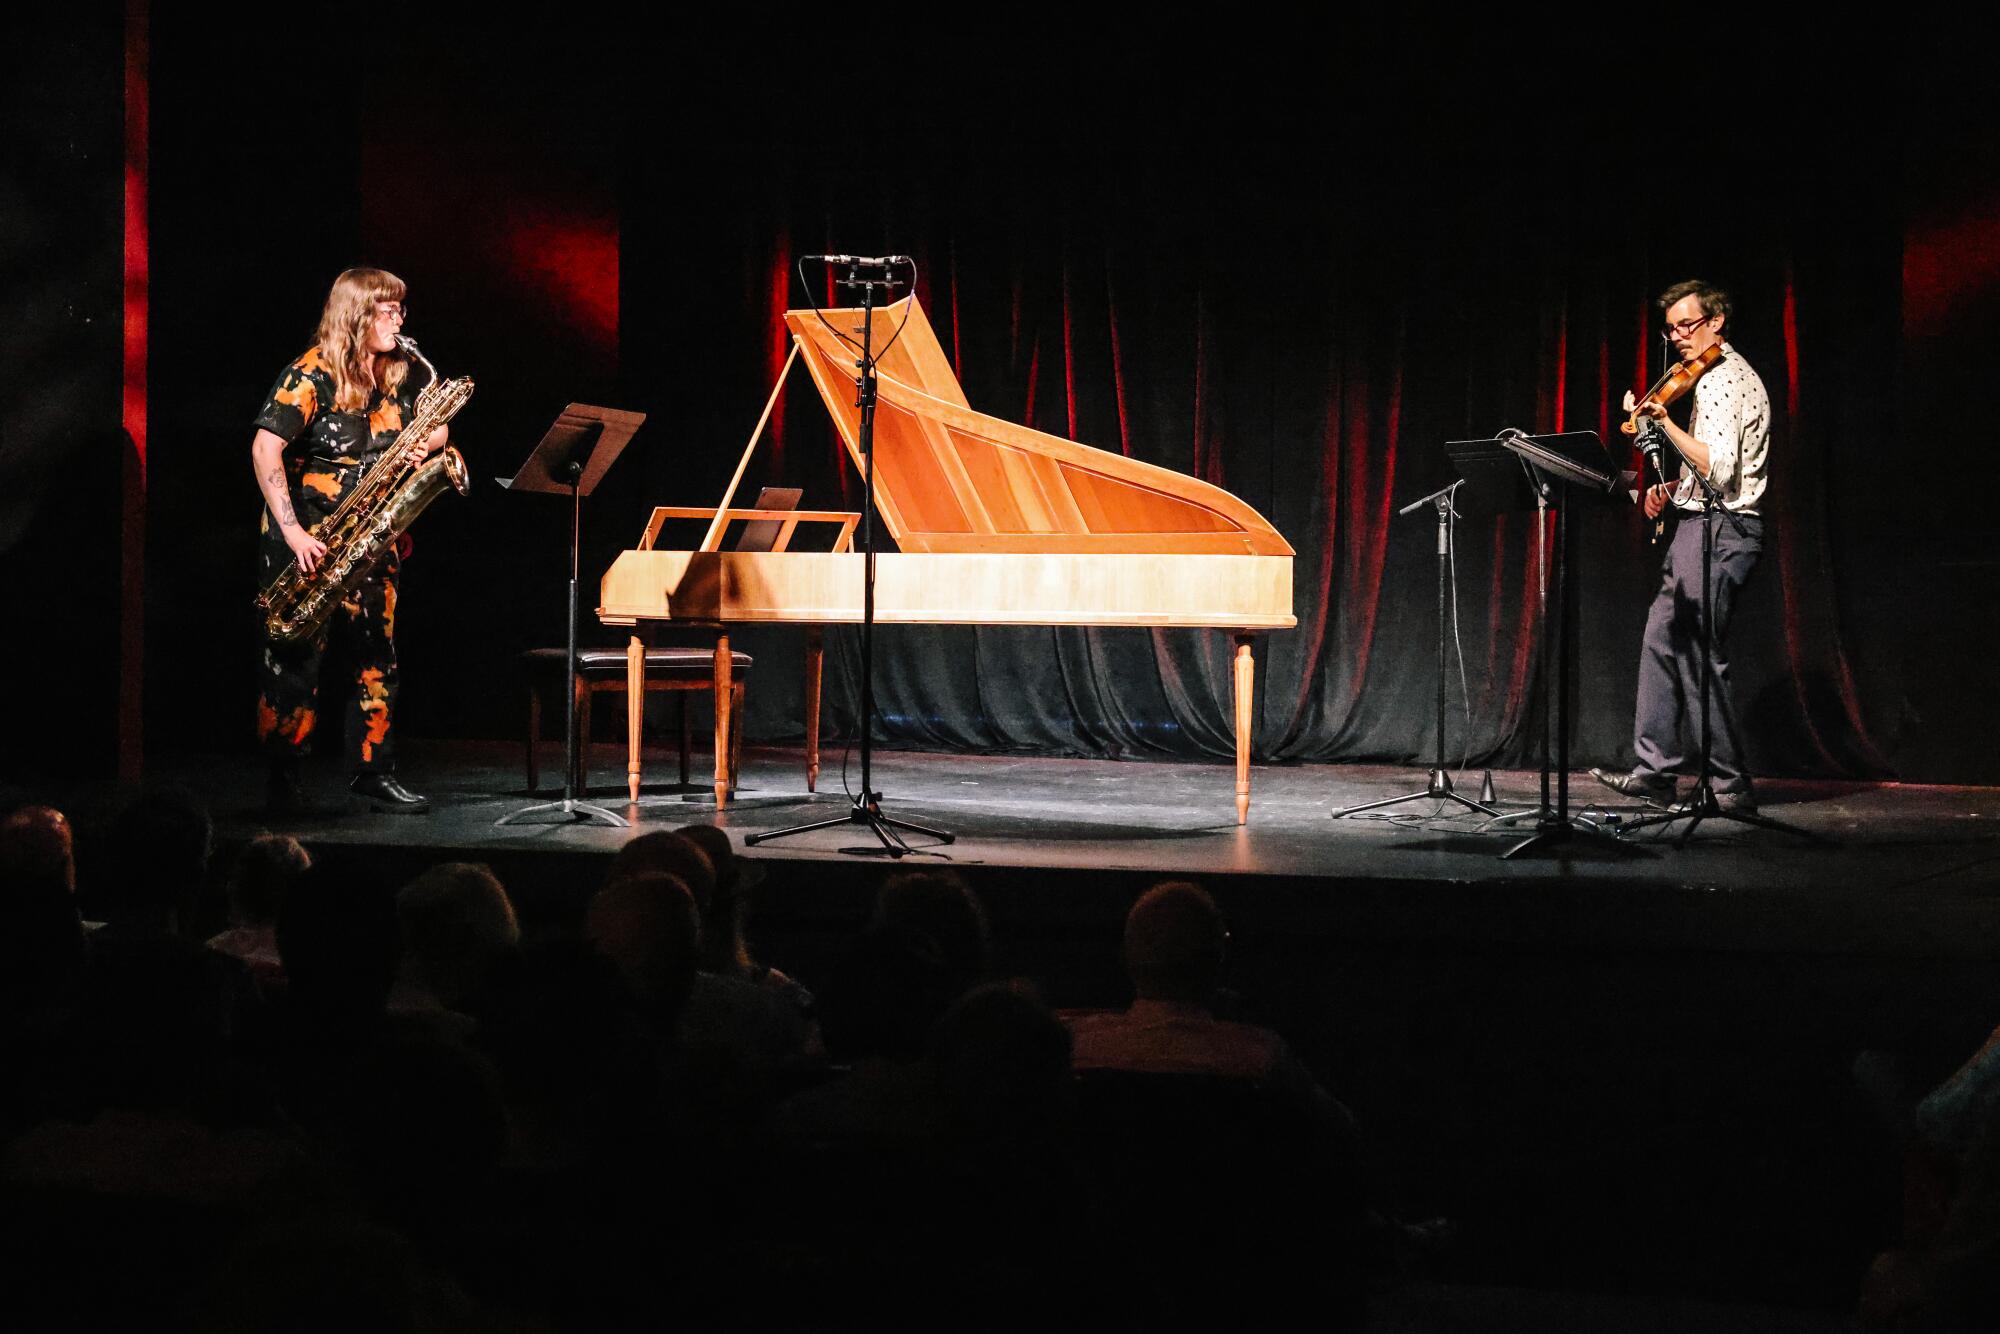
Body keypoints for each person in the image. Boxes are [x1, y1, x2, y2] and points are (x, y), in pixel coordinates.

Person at [250, 268, 445, 814]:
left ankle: (372, 771)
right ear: (356, 314)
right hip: (309, 539)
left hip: (370, 538)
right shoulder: (310, 373)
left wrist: (417, 449)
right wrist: (291, 533)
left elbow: (434, 429)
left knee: (377, 656)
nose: (399, 320)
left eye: (401, 310)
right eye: (388, 310)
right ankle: (283, 779)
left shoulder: (396, 375)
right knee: (295, 661)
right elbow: (266, 450)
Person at [1592, 279, 1770, 814]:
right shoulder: (1711, 378)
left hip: (1723, 530)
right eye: (1671, 329)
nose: (1678, 337)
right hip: (1699, 523)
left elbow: (1719, 468)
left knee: (1695, 652)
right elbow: (1705, 469)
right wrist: (1668, 489)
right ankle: (1656, 772)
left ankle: (1730, 785)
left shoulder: (1724, 380)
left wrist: (1664, 422)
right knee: (1661, 641)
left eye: (1687, 324)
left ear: (1717, 321)